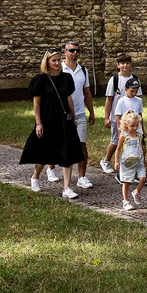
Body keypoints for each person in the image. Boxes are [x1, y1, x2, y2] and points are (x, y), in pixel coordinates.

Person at [20, 47, 85, 199]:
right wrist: (38, 123)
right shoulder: (40, 79)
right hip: (47, 119)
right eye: (53, 60)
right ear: (47, 62)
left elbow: (68, 98)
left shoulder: (66, 78)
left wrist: (73, 116)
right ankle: (35, 176)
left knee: (67, 152)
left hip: (64, 119)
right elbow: (36, 103)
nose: (56, 63)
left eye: (58, 60)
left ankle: (67, 187)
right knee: (45, 152)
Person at [56, 39, 95, 189]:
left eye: (77, 51)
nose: (75, 53)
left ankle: (81, 176)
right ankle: (51, 168)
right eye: (71, 50)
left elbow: (87, 92)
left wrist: (91, 112)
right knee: (59, 143)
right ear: (65, 52)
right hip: (61, 115)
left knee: (81, 145)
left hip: (79, 113)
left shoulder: (83, 70)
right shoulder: (59, 69)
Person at [101, 53, 142, 173]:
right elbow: (109, 100)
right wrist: (106, 117)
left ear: (131, 64)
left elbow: (138, 99)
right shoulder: (114, 80)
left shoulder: (135, 79)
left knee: (132, 143)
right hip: (117, 118)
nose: (125, 65)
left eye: (127, 63)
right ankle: (106, 161)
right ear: (118, 65)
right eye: (122, 63)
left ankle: (130, 165)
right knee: (116, 141)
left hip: (133, 120)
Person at [115, 110, 147, 210]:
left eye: (137, 125)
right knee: (126, 182)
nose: (135, 128)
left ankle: (136, 192)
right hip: (127, 163)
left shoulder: (139, 135)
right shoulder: (124, 136)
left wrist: (144, 159)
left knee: (143, 179)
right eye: (132, 126)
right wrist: (116, 161)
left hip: (139, 161)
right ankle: (126, 201)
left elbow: (141, 148)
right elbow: (118, 149)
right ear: (126, 125)